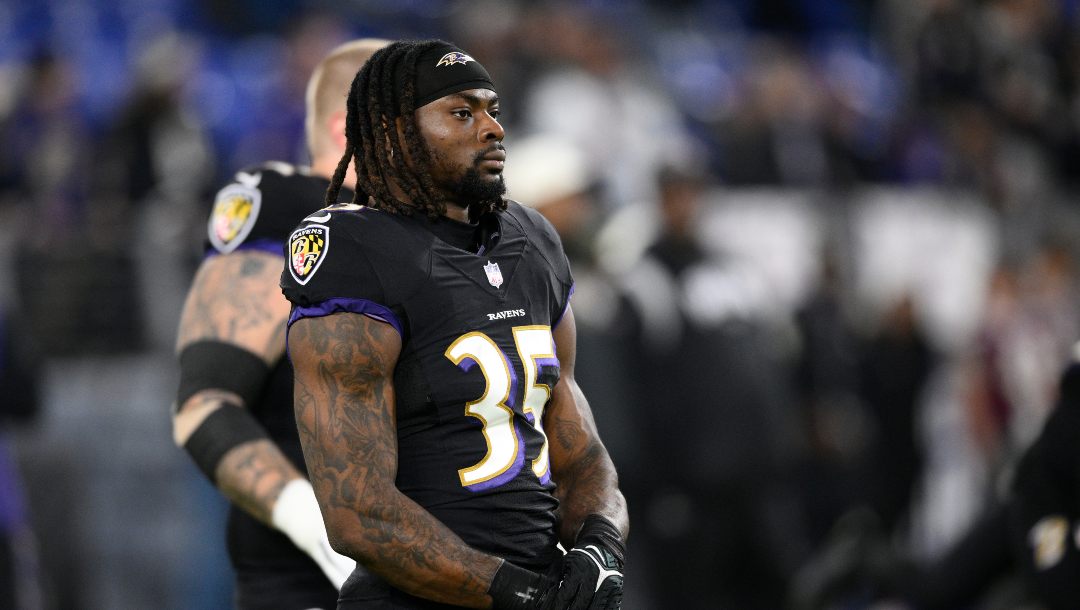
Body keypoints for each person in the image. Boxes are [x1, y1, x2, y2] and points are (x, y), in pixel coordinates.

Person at [280, 40, 628, 609]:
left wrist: (600, 546)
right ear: (395, 132)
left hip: (535, 586)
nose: (493, 129)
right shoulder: (355, 251)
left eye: (493, 110)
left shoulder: (532, 239)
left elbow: (580, 449)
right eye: (462, 113)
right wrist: (513, 591)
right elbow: (357, 512)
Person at [171, 38, 390, 610]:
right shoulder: (292, 210)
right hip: (314, 585)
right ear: (350, 132)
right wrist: (313, 523)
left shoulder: (451, 236)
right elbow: (205, 404)